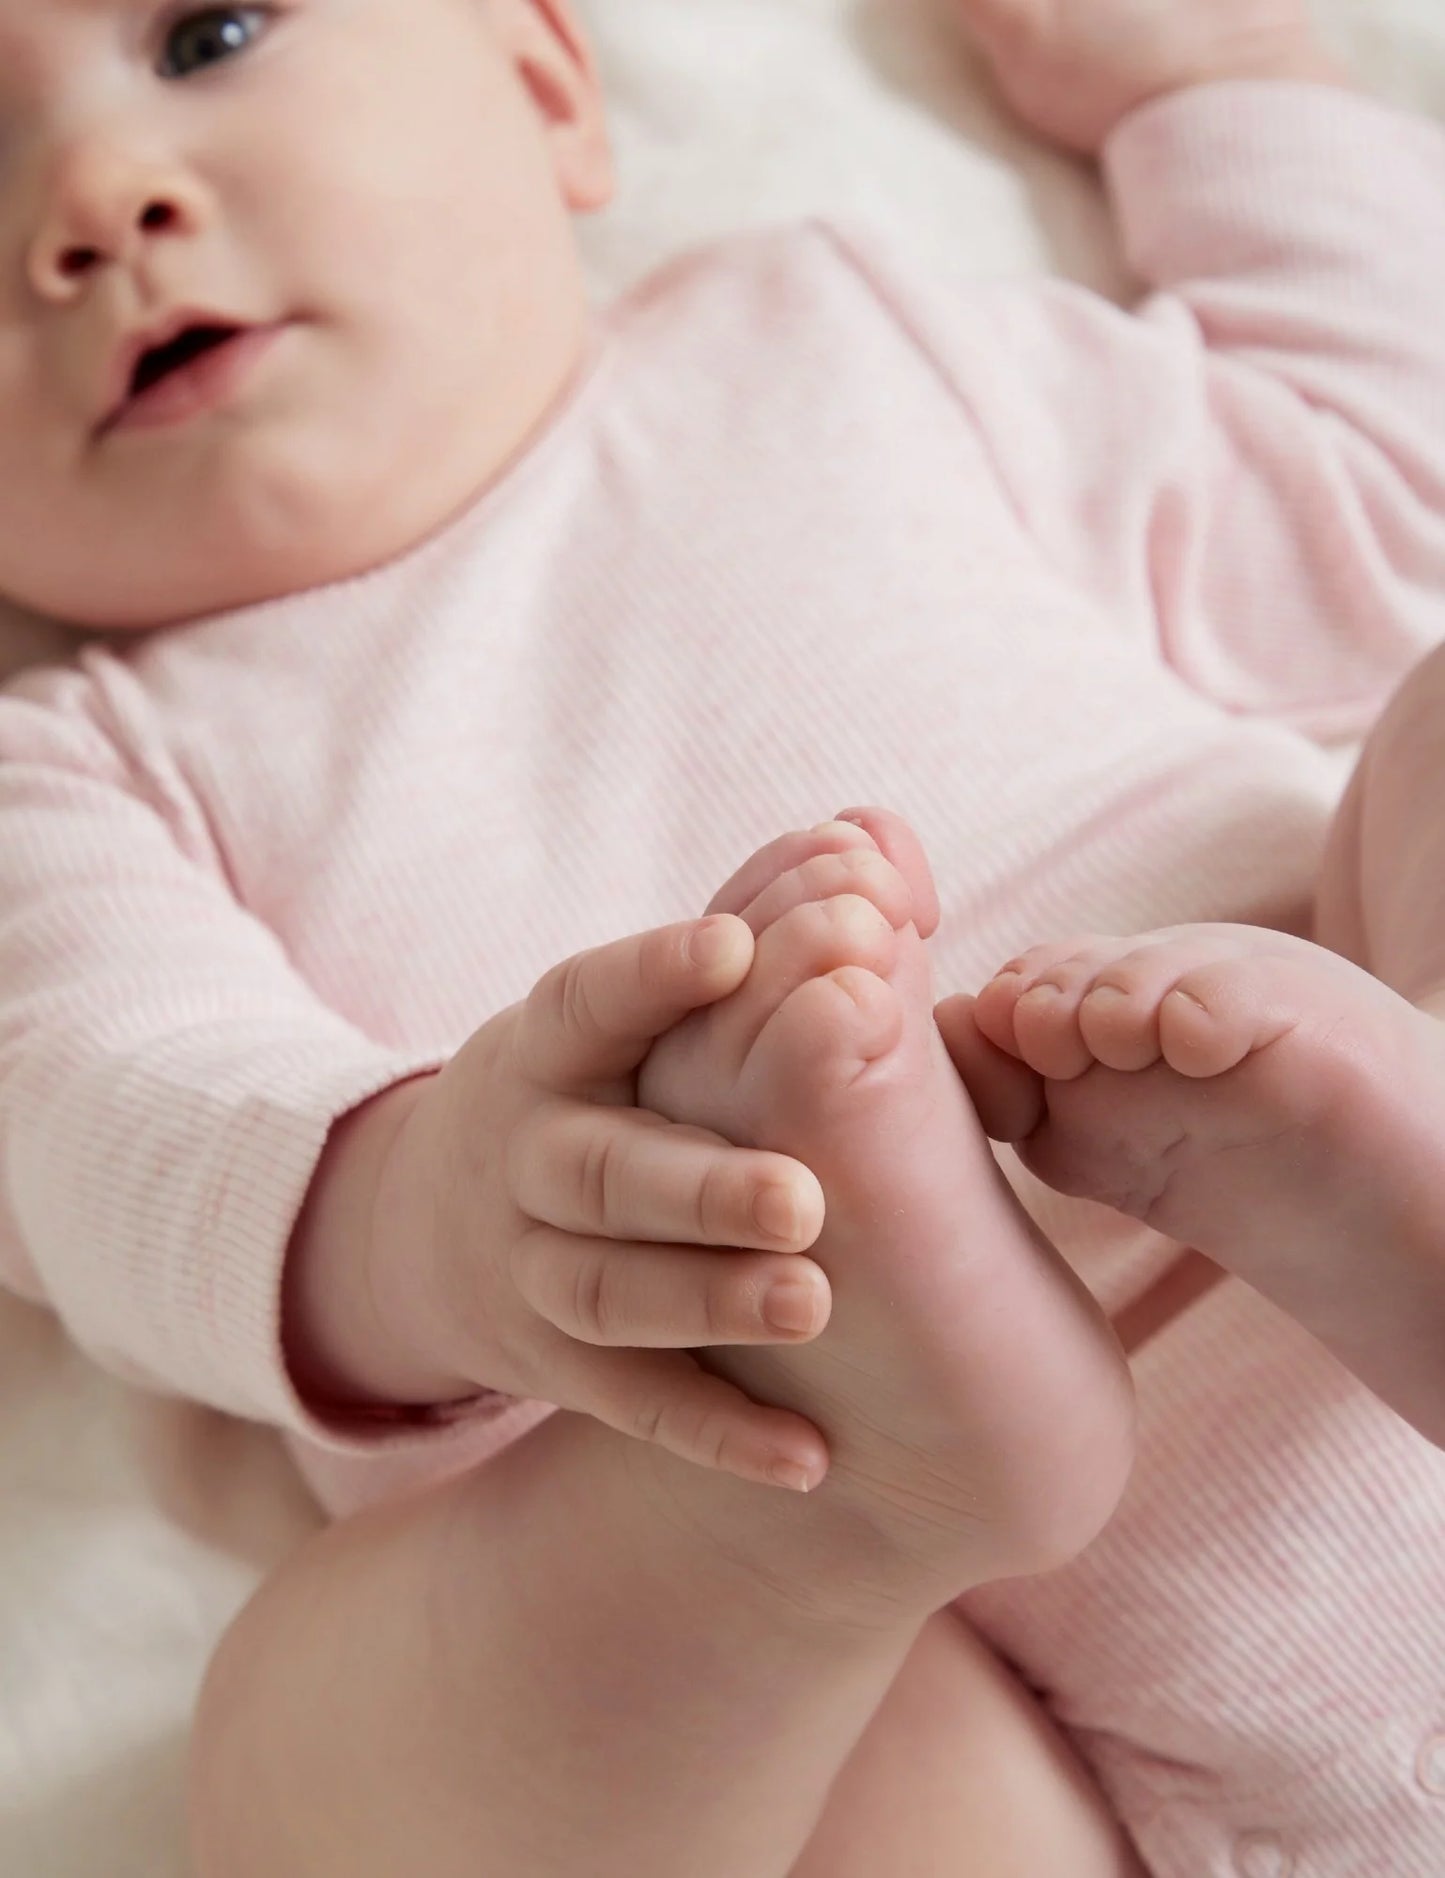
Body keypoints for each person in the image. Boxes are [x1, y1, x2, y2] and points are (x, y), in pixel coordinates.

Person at [0, 0, 1440, 1871]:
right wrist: (431, 1218)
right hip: (915, 1641)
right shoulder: (71, 772)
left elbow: (1379, 507)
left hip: (1320, 1139)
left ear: (543, 90)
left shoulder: (831, 336)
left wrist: (1221, 89)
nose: (90, 204)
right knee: (312, 1732)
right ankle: (848, 1498)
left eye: (209, 35)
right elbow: (99, 1125)